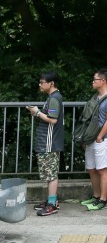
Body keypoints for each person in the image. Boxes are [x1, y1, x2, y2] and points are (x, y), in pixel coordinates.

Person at [80, 69, 107, 212]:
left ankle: (103, 199)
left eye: (95, 79)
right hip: (91, 138)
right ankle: (95, 196)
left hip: (102, 139)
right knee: (91, 168)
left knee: (102, 170)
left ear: (103, 81)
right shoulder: (95, 97)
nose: (92, 82)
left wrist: (100, 136)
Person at [27, 71, 63, 217]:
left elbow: (52, 119)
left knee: (51, 174)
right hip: (49, 142)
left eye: (42, 82)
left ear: (51, 83)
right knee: (50, 173)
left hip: (50, 142)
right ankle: (51, 200)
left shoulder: (54, 98)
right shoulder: (53, 97)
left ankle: (52, 204)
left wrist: (37, 112)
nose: (40, 84)